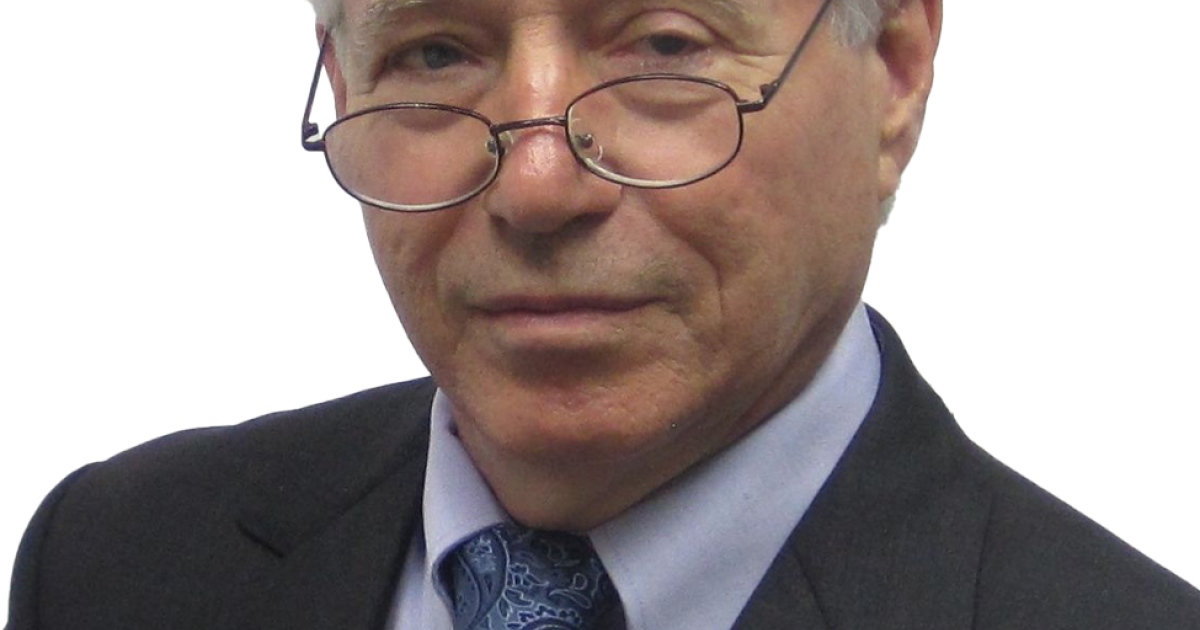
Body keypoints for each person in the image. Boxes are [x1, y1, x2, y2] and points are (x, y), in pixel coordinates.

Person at [6, 0, 1198, 628]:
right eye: (436, 52)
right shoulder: (116, 568)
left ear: (895, 68)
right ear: (341, 79)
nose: (536, 183)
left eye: (665, 46)